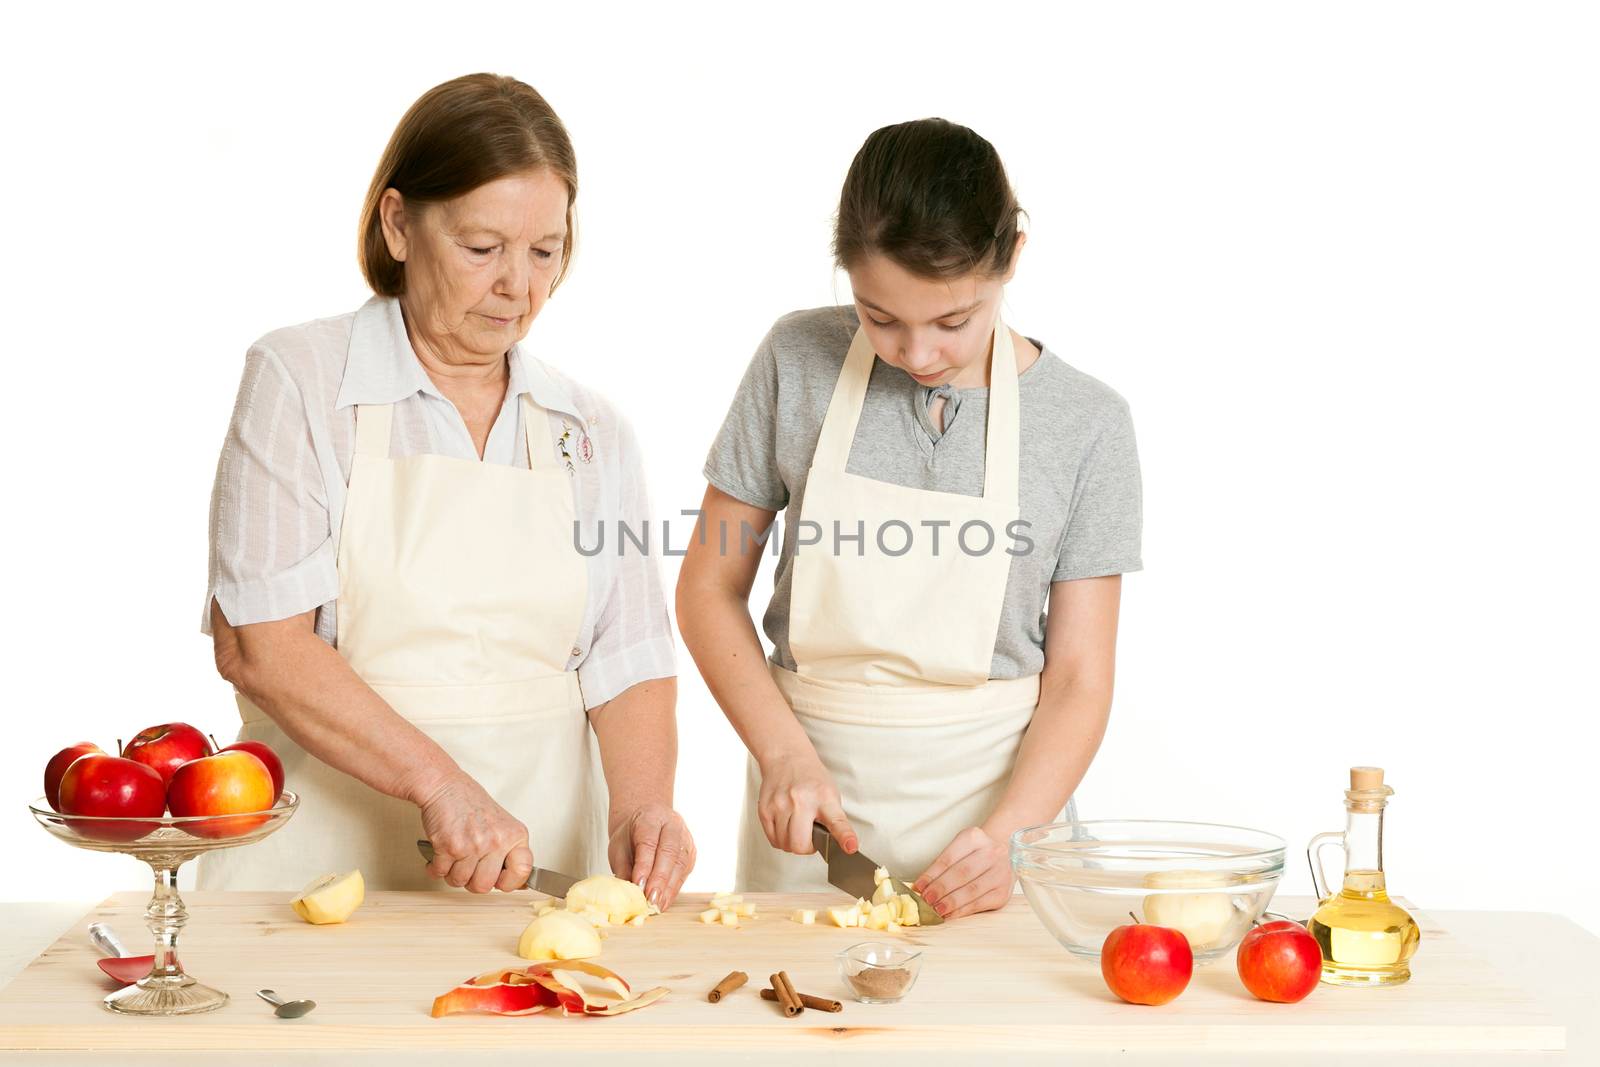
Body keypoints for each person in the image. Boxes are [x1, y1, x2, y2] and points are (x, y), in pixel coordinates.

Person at [198, 74, 693, 907]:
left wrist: (645, 806)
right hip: (315, 868)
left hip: (532, 874)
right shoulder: (303, 379)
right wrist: (442, 785)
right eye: (482, 247)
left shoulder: (592, 428)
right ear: (398, 223)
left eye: (546, 251)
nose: (519, 286)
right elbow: (260, 644)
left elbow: (629, 653)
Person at [677, 118, 1141, 919]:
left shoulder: (1089, 423)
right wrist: (784, 755)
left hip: (1000, 823)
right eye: (879, 316)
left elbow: (1079, 678)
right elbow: (706, 589)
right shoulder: (796, 360)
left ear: (1013, 259)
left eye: (953, 321)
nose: (918, 354)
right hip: (813, 826)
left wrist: (1010, 837)